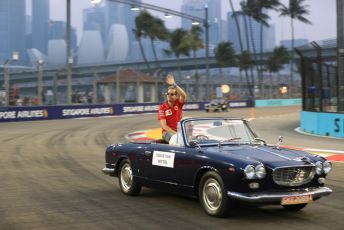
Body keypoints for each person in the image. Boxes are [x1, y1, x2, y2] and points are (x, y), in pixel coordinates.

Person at [158, 74, 187, 143]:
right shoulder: (162, 107)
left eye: (171, 94)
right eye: (168, 94)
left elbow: (183, 95)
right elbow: (164, 126)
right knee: (176, 140)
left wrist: (174, 84)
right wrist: (176, 134)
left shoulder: (179, 103)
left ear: (176, 96)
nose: (169, 95)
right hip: (167, 133)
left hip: (179, 131)